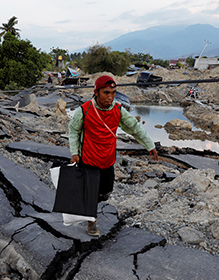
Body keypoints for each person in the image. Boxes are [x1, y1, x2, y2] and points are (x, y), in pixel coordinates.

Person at [68, 75, 158, 236]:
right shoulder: (84, 110)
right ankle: (91, 222)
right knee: (92, 193)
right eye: (106, 92)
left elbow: (134, 127)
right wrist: (75, 153)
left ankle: (88, 203)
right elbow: (74, 131)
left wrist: (149, 144)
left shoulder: (118, 110)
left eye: (113, 93)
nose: (110, 97)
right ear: (96, 92)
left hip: (108, 160)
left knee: (105, 192)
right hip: (88, 160)